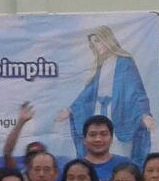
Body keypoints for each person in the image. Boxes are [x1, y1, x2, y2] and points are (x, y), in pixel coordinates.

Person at [60, 26, 153, 166]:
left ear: (107, 39)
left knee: (119, 153)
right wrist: (71, 109)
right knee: (94, 150)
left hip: (118, 113)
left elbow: (136, 90)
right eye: (93, 43)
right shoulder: (100, 65)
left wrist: (144, 114)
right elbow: (88, 92)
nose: (97, 46)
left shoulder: (124, 62)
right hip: (98, 111)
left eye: (98, 41)